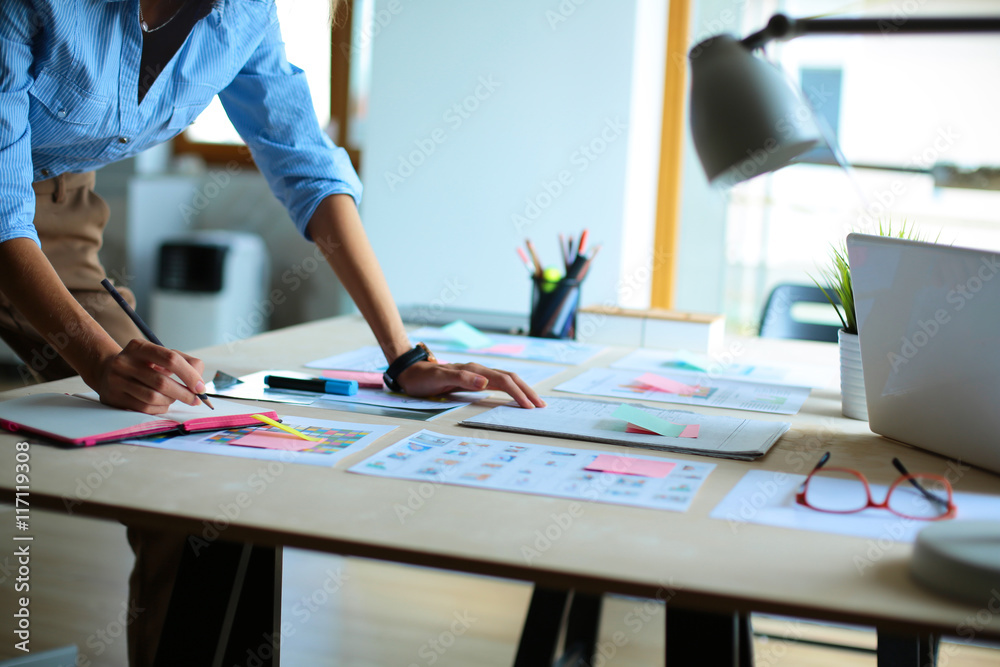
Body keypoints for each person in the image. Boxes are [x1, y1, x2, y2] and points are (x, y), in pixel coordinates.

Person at [0, 1, 545, 663]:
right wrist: (95, 358)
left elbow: (306, 166)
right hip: (8, 211)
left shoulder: (244, 16)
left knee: (182, 474)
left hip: (48, 220)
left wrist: (404, 355)